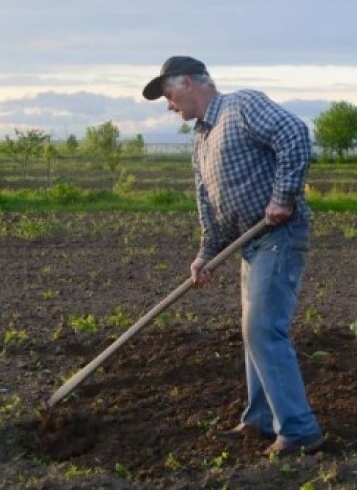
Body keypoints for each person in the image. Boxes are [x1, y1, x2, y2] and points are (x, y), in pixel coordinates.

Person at [142, 56, 323, 456]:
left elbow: (294, 133)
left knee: (263, 329)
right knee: (253, 333)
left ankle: (299, 431)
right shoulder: (201, 140)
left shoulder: (241, 106)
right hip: (249, 243)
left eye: (168, 95)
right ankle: (259, 420)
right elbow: (209, 205)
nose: (169, 105)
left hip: (279, 234)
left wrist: (283, 197)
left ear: (188, 83)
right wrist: (206, 254)